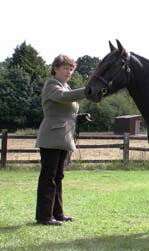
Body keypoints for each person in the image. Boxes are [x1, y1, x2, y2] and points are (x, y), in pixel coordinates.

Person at [35, 54, 86, 225]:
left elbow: (65, 111)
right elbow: (63, 97)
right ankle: (44, 216)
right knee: (48, 177)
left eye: (71, 69)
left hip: (63, 137)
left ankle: (57, 214)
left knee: (58, 177)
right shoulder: (52, 85)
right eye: (66, 68)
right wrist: (87, 91)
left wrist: (78, 117)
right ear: (55, 68)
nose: (69, 72)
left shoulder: (65, 85)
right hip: (51, 136)